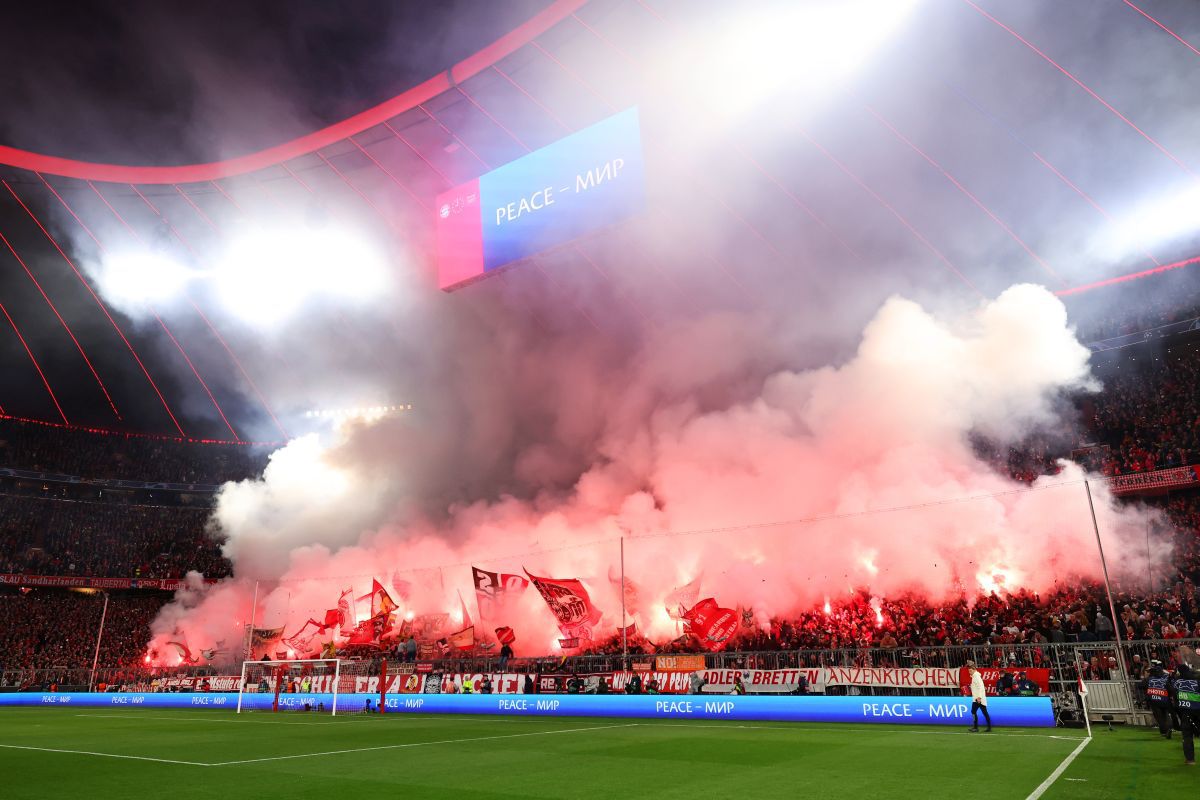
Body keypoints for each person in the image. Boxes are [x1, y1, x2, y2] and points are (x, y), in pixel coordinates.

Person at [1170, 663, 1200, 765]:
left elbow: (1175, 698)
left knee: (1187, 736)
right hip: (1198, 710)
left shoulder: (1176, 682)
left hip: (1185, 712)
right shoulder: (1197, 680)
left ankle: (1190, 760)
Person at [1141, 660, 1173, 739]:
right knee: (1166, 714)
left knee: (1159, 717)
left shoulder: (1149, 679)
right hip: (1165, 700)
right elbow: (1170, 689)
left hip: (1154, 700)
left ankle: (1163, 731)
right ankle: (1169, 727)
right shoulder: (1165, 678)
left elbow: (1141, 685)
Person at [966, 662, 992, 733]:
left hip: (978, 699)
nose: (969, 672)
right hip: (978, 698)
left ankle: (976, 727)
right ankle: (988, 727)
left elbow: (980, 687)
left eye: (970, 671)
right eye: (969, 671)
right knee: (984, 712)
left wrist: (979, 697)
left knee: (974, 712)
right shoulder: (975, 676)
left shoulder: (976, 677)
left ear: (974, 669)